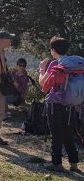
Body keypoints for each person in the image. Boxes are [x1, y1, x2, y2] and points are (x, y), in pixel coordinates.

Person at [39, 37, 78, 172]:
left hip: (55, 103)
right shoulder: (74, 63)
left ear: (53, 50)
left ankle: (57, 164)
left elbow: (43, 84)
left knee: (56, 133)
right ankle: (73, 163)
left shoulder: (55, 64)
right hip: (71, 102)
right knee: (68, 133)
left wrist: (42, 69)